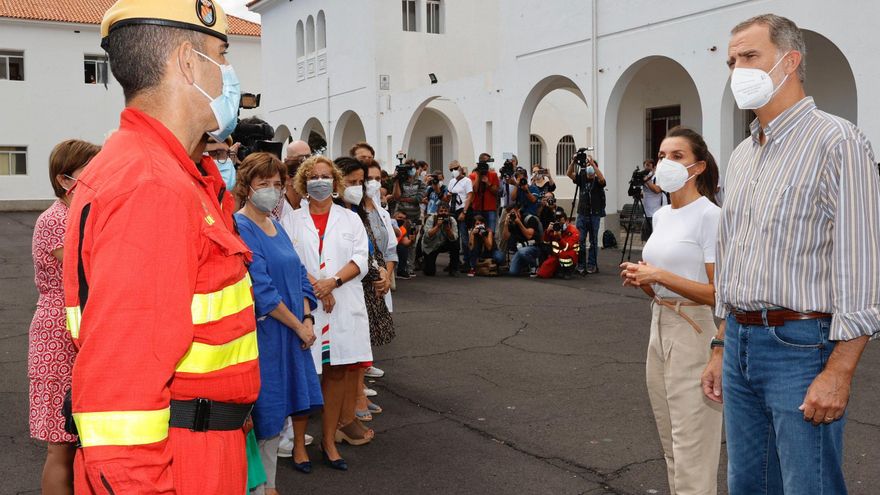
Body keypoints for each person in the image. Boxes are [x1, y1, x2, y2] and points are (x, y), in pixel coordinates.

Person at [62, 2, 260, 492]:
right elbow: (120, 398)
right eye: (222, 54)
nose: (230, 74)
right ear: (188, 63)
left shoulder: (157, 171)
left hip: (197, 441)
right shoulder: (153, 186)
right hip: (179, 460)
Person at [706, 14, 880, 494]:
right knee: (750, 484)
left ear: (790, 60)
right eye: (731, 61)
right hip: (741, 339)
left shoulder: (837, 142)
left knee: (810, 486)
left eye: (749, 56)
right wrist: (722, 345)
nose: (737, 69)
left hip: (802, 347)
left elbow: (861, 269)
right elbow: (736, 257)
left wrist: (839, 372)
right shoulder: (742, 156)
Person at [620, 127, 723, 495]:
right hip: (659, 320)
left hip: (694, 329)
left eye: (677, 156)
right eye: (662, 155)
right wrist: (643, 279)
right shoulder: (662, 216)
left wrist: (659, 274)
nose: (666, 162)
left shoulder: (710, 216)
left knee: (692, 444)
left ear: (697, 167)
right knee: (670, 442)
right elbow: (659, 283)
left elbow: (719, 294)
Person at [233, 153, 322, 484]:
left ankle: (268, 484)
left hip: (292, 334)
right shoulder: (240, 227)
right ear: (247, 186)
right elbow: (262, 292)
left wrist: (308, 318)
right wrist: (299, 325)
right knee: (263, 419)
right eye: (263, 184)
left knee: (280, 415)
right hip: (267, 338)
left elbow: (299, 274)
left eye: (277, 184)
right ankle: (257, 485)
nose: (272, 191)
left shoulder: (276, 224)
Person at [284, 156, 372, 471]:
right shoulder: (291, 219)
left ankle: (329, 441)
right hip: (307, 305)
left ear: (334, 184)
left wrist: (331, 283)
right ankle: (298, 444)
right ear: (304, 184)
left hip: (342, 301)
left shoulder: (350, 219)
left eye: (325, 176)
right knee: (306, 375)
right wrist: (317, 287)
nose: (319, 181)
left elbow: (362, 258)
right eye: (313, 176)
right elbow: (289, 260)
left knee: (336, 373)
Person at [29, 139, 99, 495]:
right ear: (65, 178)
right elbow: (88, 269)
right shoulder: (57, 219)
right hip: (57, 333)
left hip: (80, 330)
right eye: (91, 170)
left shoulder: (82, 213)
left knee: (79, 438)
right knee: (61, 442)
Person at [336, 157, 395, 427]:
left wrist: (382, 271)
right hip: (348, 284)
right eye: (353, 182)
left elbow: (371, 245)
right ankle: (351, 403)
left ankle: (357, 394)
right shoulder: (335, 213)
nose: (359, 188)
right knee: (348, 351)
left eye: (362, 182)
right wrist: (374, 271)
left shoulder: (359, 211)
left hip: (368, 282)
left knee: (362, 346)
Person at [566, 153, 606, 274]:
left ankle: (592, 264)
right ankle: (581, 264)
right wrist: (573, 162)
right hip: (582, 213)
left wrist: (593, 165)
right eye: (588, 165)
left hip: (594, 214)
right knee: (580, 240)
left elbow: (603, 180)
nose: (588, 167)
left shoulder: (598, 181)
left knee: (593, 241)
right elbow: (569, 174)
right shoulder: (582, 177)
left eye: (591, 167)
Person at [393, 159, 425, 276]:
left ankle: (409, 267)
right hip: (400, 217)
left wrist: (402, 199)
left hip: (414, 217)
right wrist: (396, 181)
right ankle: (399, 267)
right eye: (408, 168)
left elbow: (418, 199)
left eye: (412, 167)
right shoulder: (401, 181)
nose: (410, 170)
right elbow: (396, 197)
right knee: (398, 240)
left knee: (412, 242)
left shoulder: (421, 183)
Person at [445, 160, 474, 269]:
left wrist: (464, 212)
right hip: (452, 209)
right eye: (451, 170)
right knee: (453, 238)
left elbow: (469, 196)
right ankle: (454, 262)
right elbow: (448, 196)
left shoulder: (467, 181)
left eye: (455, 168)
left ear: (460, 168)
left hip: (462, 210)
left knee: (464, 237)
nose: (454, 171)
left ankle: (467, 262)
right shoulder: (452, 181)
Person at [273, 139, 311, 221]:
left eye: (308, 156)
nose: (306, 161)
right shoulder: (277, 206)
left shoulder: (306, 204)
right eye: (300, 158)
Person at [537, 209, 580, 279]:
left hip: (569, 255)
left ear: (567, 221)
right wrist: (547, 231)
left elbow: (567, 247)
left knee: (565, 255)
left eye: (561, 223)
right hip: (556, 255)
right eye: (558, 222)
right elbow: (545, 242)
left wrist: (559, 238)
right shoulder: (554, 228)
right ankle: (557, 269)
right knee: (542, 273)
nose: (559, 225)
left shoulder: (573, 231)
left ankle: (568, 270)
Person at [502, 203, 543, 276]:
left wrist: (519, 223)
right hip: (522, 248)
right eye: (509, 214)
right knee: (513, 272)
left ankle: (534, 266)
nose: (512, 215)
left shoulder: (529, 219)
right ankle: (525, 265)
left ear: (518, 211)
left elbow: (529, 236)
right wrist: (506, 224)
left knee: (522, 251)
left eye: (513, 213)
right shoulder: (512, 222)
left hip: (535, 247)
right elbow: (506, 238)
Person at [421, 202, 460, 276]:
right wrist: (437, 226)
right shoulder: (431, 219)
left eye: (445, 211)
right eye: (441, 211)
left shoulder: (451, 220)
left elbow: (454, 237)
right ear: (437, 212)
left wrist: (448, 230)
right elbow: (427, 235)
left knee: (455, 244)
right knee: (430, 272)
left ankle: (453, 269)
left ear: (448, 212)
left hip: (444, 243)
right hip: (431, 246)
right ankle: (425, 262)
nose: (443, 213)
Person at [469, 153, 500, 230]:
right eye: (486, 162)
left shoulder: (493, 175)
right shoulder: (473, 175)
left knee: (491, 231)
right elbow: (474, 190)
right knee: (478, 231)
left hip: (490, 208)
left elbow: (496, 191)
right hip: (477, 208)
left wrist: (488, 183)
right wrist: (478, 176)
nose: (487, 164)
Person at [640, 159, 666, 240]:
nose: (647, 171)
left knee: (656, 239)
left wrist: (647, 180)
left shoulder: (658, 177)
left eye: (649, 168)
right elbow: (641, 193)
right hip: (646, 213)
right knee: (647, 239)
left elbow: (657, 190)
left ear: (654, 168)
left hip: (656, 213)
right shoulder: (644, 178)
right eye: (645, 169)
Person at [394, 211, 415, 280]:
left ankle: (401, 271)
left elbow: (406, 242)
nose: (401, 220)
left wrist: (412, 240)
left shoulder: (403, 229)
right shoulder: (388, 225)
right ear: (394, 218)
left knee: (403, 248)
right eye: (399, 217)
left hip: (395, 247)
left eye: (403, 218)